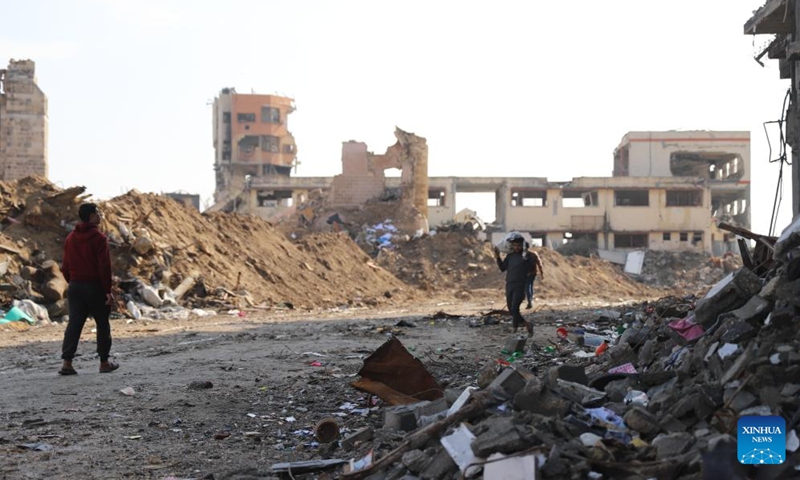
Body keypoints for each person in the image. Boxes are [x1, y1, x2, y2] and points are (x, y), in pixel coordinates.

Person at [58, 203, 118, 375]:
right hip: (94, 287)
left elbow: (65, 266)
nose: (100, 216)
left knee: (74, 324)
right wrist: (107, 290)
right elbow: (104, 267)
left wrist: (73, 281)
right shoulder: (99, 238)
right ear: (91, 216)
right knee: (102, 324)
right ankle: (104, 363)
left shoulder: (71, 237)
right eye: (98, 213)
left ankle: (67, 363)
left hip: (75, 286)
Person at [494, 235, 537, 336]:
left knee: (514, 307)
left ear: (522, 245)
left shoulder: (528, 256)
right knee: (510, 308)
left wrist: (525, 258)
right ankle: (527, 324)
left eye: (518, 245)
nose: (516, 247)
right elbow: (502, 268)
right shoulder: (510, 256)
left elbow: (531, 269)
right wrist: (497, 257)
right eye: (514, 245)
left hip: (520, 285)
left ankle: (515, 328)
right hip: (509, 284)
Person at [524, 244, 544, 309]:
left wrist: (541, 273)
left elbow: (539, 263)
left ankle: (530, 302)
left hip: (529, 273)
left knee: (528, 286)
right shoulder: (533, 254)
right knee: (530, 286)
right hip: (531, 273)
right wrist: (541, 273)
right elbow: (539, 263)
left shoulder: (523, 255)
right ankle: (530, 300)